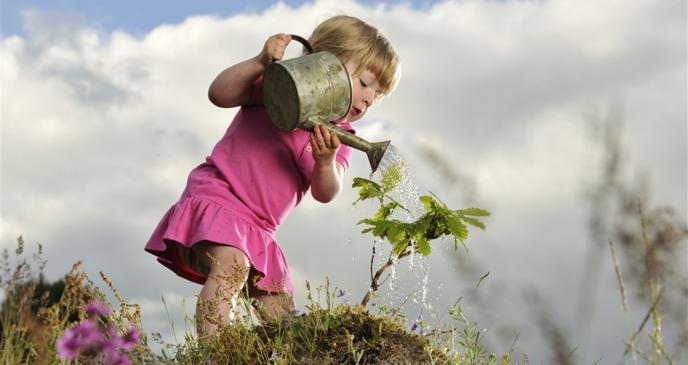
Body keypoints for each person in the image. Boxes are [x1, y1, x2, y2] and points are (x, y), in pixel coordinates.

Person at [144, 14, 401, 337]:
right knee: (232, 267)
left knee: (281, 315)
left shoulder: (340, 137)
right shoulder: (280, 87)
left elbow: (326, 192)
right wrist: (260, 61)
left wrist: (325, 161)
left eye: (378, 94)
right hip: (220, 198)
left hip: (260, 230)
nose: (368, 100)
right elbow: (219, 94)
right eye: (365, 83)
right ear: (324, 62)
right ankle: (214, 356)